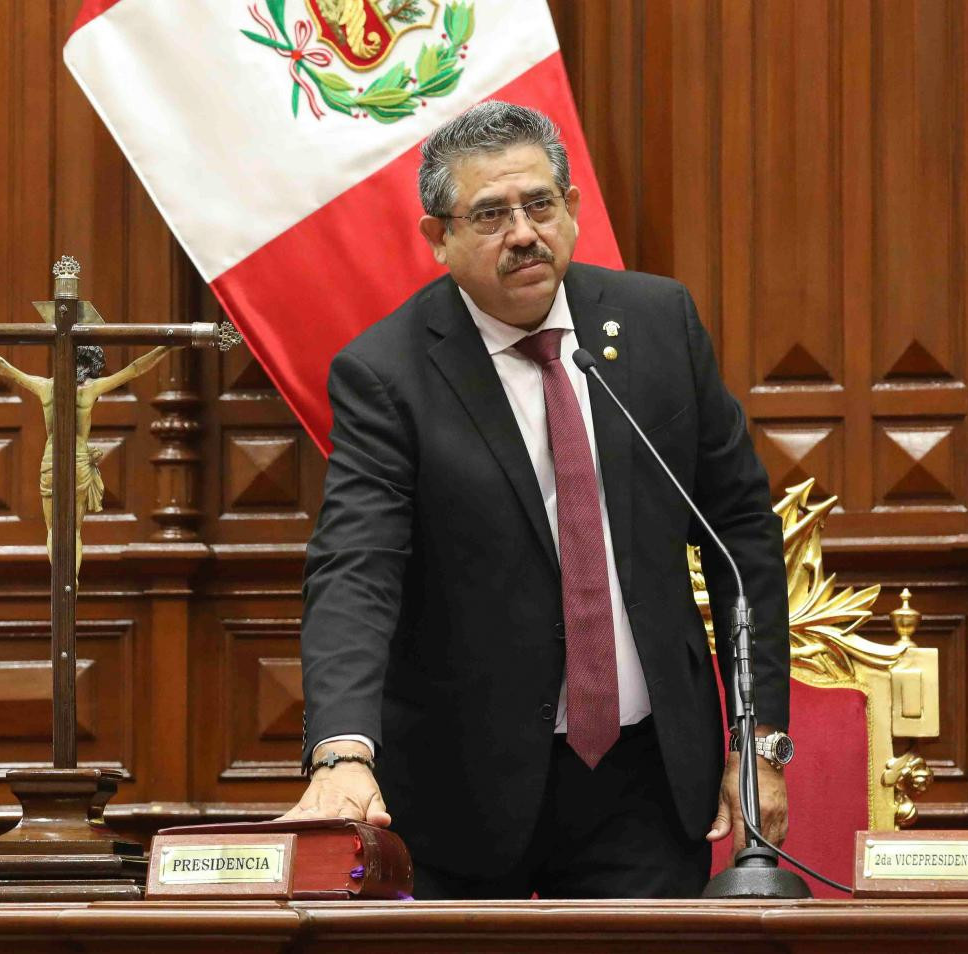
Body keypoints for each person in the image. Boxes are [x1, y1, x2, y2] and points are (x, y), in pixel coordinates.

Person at [287, 101, 791, 899]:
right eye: (490, 214)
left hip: (647, 780)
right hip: (462, 790)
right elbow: (357, 569)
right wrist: (344, 753)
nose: (523, 233)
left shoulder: (659, 325)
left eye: (540, 205)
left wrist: (758, 742)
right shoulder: (387, 375)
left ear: (573, 210)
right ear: (437, 239)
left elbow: (741, 536)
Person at [0, 343, 174, 577]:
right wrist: (165, 348)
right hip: (77, 459)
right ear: (90, 366)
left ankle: (60, 579)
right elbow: (135, 368)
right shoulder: (90, 389)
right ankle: (71, 582)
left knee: (53, 528)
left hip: (51, 459)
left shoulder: (45, 386)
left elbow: (2, 366)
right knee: (74, 530)